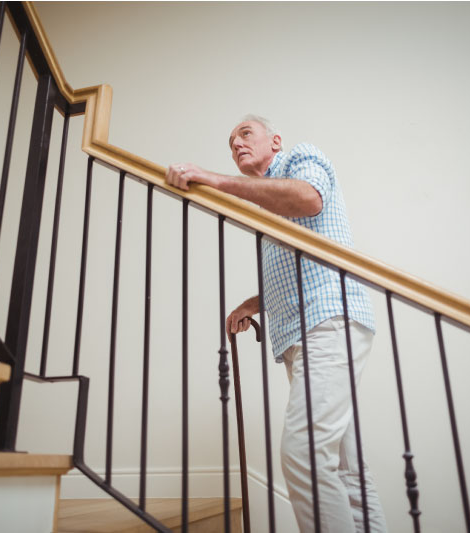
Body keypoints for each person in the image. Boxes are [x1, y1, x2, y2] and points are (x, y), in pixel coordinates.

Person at [166, 115, 388, 533]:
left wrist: (215, 180)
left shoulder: (300, 159)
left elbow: (309, 199)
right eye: (231, 142)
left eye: (245, 134)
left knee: (303, 454)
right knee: (347, 469)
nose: (236, 144)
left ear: (276, 140)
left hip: (328, 320)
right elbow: (294, 271)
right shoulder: (268, 204)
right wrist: (254, 303)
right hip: (305, 332)